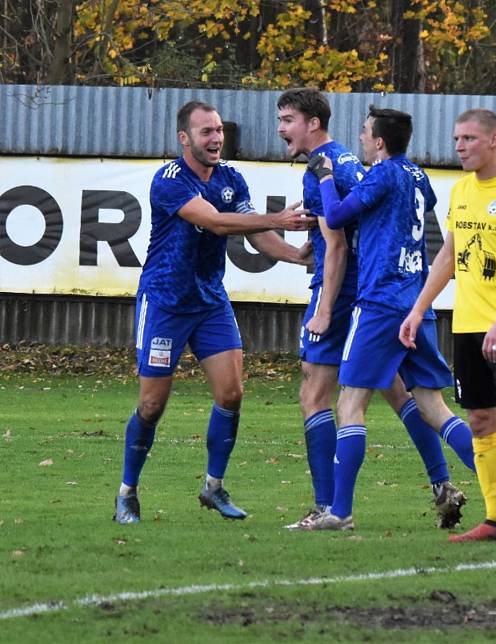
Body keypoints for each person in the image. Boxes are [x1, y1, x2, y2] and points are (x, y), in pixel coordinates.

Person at [276, 89, 472, 531]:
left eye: (287, 119)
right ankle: (455, 485)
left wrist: (325, 307)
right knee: (411, 396)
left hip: (366, 296)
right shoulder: (382, 168)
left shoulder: (329, 167)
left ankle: (331, 507)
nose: (281, 128)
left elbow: (340, 236)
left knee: (325, 398)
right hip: (408, 298)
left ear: (312, 122)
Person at [113, 100, 315, 524]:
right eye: (206, 131)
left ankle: (214, 488)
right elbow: (218, 223)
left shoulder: (230, 178)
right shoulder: (169, 180)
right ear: (184, 138)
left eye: (219, 130)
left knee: (232, 393)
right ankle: (127, 494)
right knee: (151, 405)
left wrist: (297, 255)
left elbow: (256, 236)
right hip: (165, 301)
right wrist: (277, 217)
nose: (216, 138)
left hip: (209, 302)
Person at [400, 109, 496, 544]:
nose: (459, 147)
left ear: (494, 140)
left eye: (468, 139)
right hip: (467, 325)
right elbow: (447, 256)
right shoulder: (461, 191)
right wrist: (417, 309)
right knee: (481, 418)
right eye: (456, 139)